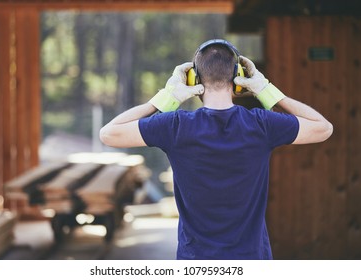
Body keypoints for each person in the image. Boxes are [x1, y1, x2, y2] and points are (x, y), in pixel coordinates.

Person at [99, 39, 333, 260]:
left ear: (194, 80)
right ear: (238, 78)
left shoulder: (174, 126)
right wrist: (266, 90)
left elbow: (109, 134)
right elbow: (323, 128)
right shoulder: (262, 125)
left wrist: (166, 98)